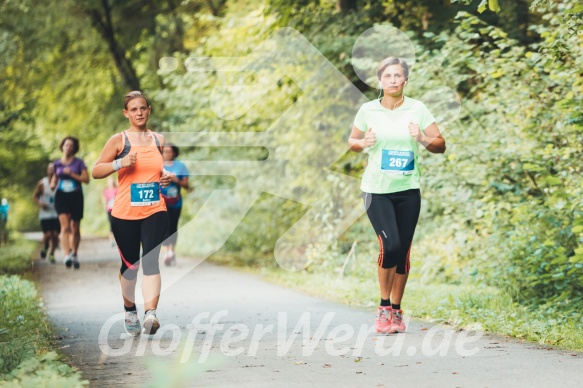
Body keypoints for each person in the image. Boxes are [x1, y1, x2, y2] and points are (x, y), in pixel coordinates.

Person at [348, 57, 446, 334]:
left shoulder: (418, 109)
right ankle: (383, 308)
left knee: (402, 251)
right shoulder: (368, 110)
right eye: (387, 76)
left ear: (405, 80)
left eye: (398, 75)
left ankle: (397, 310)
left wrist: (422, 139)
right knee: (389, 246)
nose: (393, 80)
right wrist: (362, 142)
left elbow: (440, 145)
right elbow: (352, 142)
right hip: (376, 190)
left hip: (407, 191)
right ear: (380, 81)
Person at [92, 90, 171, 336]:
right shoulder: (119, 140)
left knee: (150, 261)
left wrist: (165, 177)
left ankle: (151, 314)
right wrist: (120, 163)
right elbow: (96, 171)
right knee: (130, 266)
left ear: (149, 111)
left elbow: (158, 170)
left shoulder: (158, 139)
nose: (139, 112)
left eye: (143, 108)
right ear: (126, 113)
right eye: (134, 109)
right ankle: (129, 309)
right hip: (124, 212)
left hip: (155, 209)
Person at [51, 136, 90, 269]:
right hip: (61, 196)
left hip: (75, 196)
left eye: (71, 145)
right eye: (66, 145)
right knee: (65, 226)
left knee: (75, 227)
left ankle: (74, 253)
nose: (68, 147)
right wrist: (52, 184)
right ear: (62, 146)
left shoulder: (79, 163)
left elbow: (86, 179)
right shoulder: (57, 163)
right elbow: (54, 178)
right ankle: (66, 255)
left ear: (74, 148)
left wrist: (72, 174)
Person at [160, 143, 189, 266]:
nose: (167, 154)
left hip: (176, 202)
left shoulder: (181, 166)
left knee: (173, 226)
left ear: (174, 153)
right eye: (164, 151)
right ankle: (166, 252)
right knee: (163, 226)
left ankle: (171, 251)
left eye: (169, 151)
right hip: (160, 201)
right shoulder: (158, 165)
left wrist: (175, 179)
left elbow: (186, 185)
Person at [33, 163, 60, 263]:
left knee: (55, 235)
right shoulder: (42, 183)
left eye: (53, 168)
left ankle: (52, 253)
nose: (51, 170)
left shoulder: (59, 182)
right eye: (49, 168)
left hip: (56, 213)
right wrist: (40, 203)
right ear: (47, 170)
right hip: (45, 214)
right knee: (48, 234)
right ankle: (45, 246)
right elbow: (35, 196)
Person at [103, 176, 118, 247]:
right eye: (109, 181)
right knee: (111, 225)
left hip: (116, 209)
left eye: (111, 180)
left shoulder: (116, 189)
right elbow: (104, 199)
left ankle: (116, 239)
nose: (110, 182)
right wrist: (105, 206)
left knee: (116, 224)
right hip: (109, 210)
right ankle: (111, 240)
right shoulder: (106, 190)